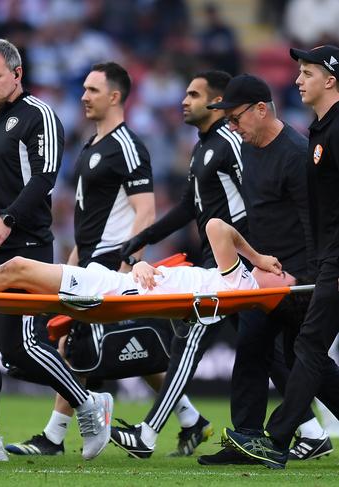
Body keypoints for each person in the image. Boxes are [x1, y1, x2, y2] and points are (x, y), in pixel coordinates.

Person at [3, 62, 204, 457]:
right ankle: (191, 418)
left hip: (113, 265)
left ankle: (54, 436)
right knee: (132, 351)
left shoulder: (128, 146)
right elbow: (87, 219)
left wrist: (130, 265)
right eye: (83, 89)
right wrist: (76, 260)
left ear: (114, 96)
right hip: (91, 261)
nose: (83, 96)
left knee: (71, 347)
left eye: (93, 90)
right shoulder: (91, 147)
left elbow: (145, 212)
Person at [0, 38, 112, 462]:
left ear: (17, 74)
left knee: (21, 347)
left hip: (24, 247)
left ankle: (88, 401)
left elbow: (45, 178)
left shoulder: (38, 115)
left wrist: (6, 221)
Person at [107, 70, 245, 458]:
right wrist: (144, 237)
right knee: (269, 353)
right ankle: (311, 428)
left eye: (194, 94)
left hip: (233, 266)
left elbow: (256, 200)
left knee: (188, 340)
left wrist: (256, 257)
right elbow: (188, 206)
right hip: (216, 263)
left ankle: (149, 433)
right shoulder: (203, 147)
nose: (184, 100)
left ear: (216, 102)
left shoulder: (232, 143)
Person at [199, 74, 331, 465]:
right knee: (254, 348)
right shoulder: (250, 148)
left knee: (305, 360)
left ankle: (257, 438)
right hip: (267, 274)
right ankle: (247, 438)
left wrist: (309, 278)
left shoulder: (295, 153)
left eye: (235, 118)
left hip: (298, 279)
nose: (231, 127)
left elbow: (316, 222)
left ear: (261, 109)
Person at [0, 218, 290, 301]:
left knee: (14, 269)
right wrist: (143, 265)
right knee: (13, 277)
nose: (278, 267)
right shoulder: (231, 280)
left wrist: (257, 256)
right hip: (122, 282)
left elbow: (216, 227)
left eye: (283, 273)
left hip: (111, 288)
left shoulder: (240, 280)